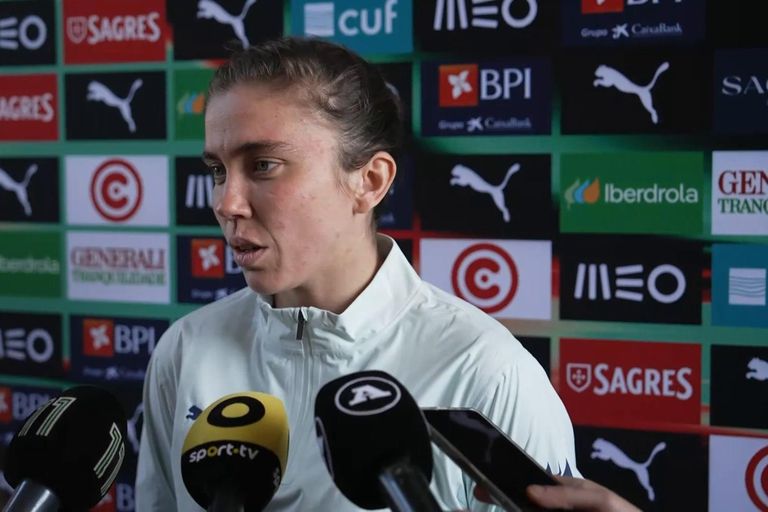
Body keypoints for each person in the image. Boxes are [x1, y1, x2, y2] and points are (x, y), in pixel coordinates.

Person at [136, 36, 580, 511]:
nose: (227, 204)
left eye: (263, 165)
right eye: (218, 170)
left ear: (369, 182)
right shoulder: (186, 350)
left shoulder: (487, 374)